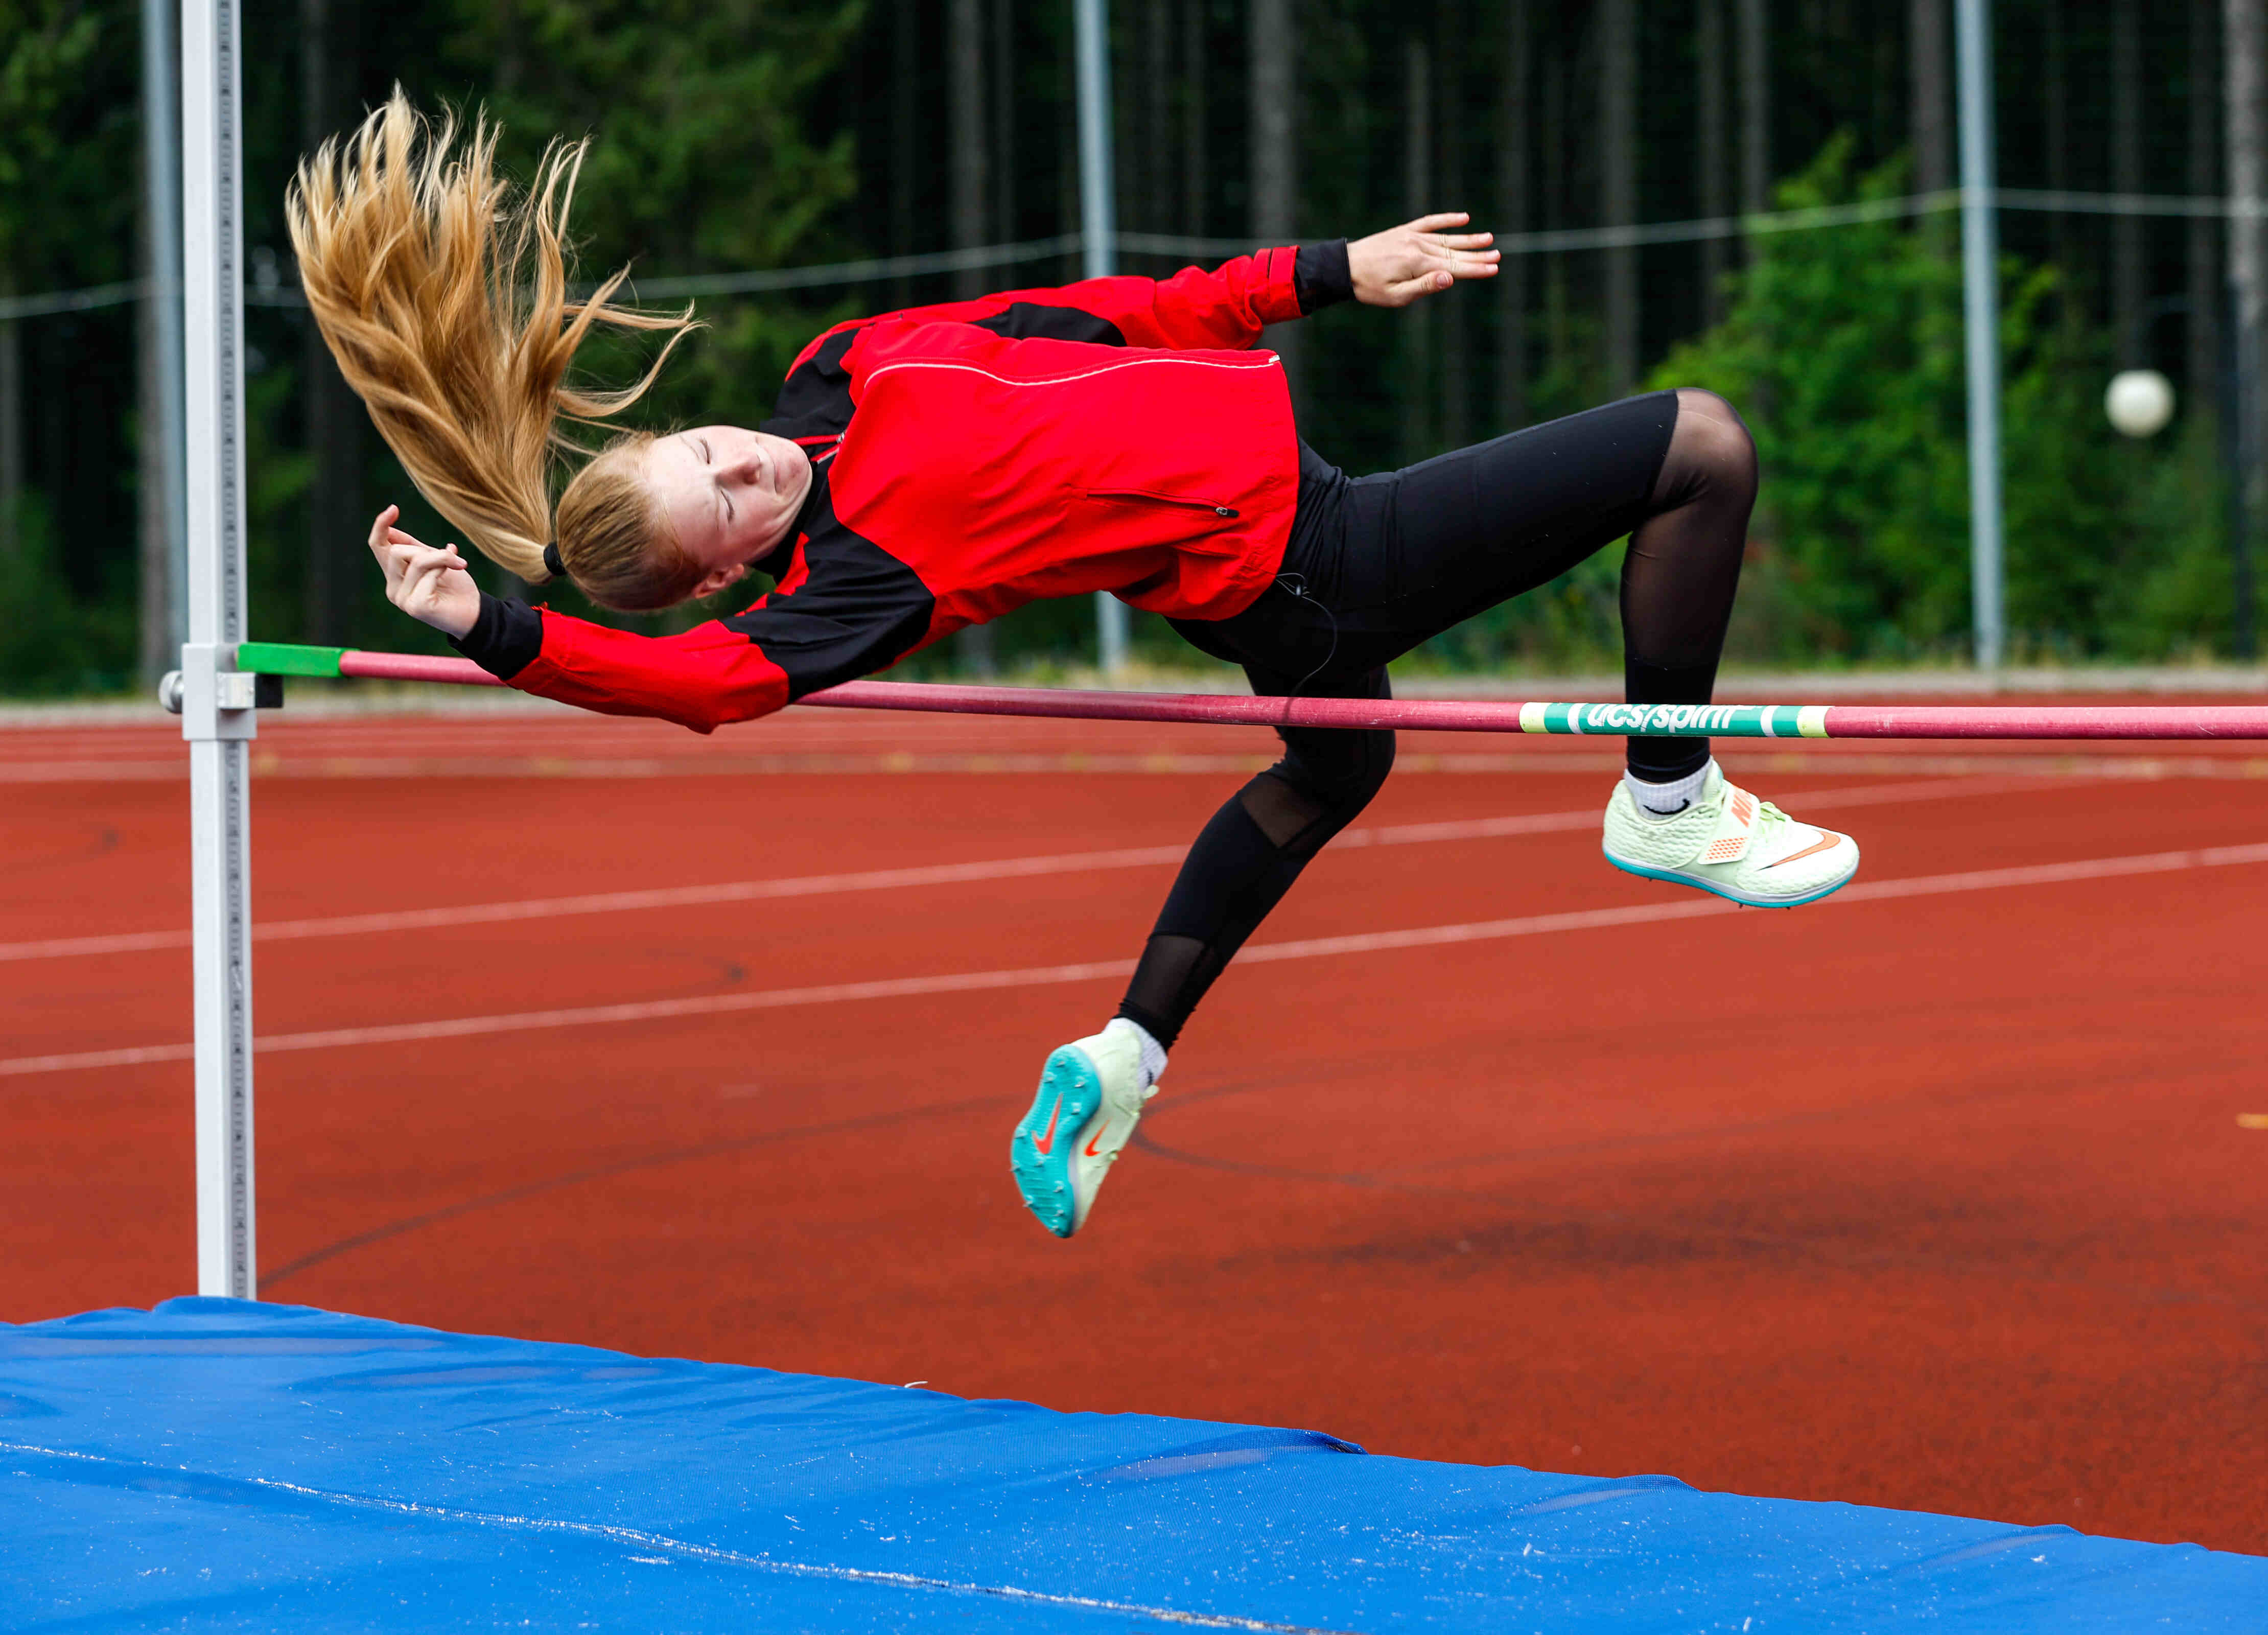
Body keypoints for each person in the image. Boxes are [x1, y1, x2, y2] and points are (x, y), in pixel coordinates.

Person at [291, 95, 1858, 1243]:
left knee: (1340, 764)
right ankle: (1668, 795)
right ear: (729, 569)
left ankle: (1128, 1050)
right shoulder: (857, 578)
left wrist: (1327, 270)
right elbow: (702, 687)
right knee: (1700, 446)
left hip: (1287, 517)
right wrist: (497, 631)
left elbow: (1113, 314)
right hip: (1306, 564)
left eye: (712, 450)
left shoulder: (842, 363)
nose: (750, 466)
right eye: (732, 507)